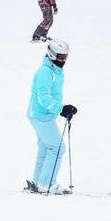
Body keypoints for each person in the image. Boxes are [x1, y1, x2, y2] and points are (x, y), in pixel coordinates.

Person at [24, 38, 77, 193]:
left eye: (65, 57)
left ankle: (38, 183)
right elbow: (43, 97)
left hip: (43, 114)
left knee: (46, 149)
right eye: (61, 57)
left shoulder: (55, 70)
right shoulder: (45, 72)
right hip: (41, 115)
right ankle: (47, 184)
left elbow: (52, 95)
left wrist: (61, 109)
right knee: (57, 148)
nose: (63, 60)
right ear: (52, 55)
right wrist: (61, 109)